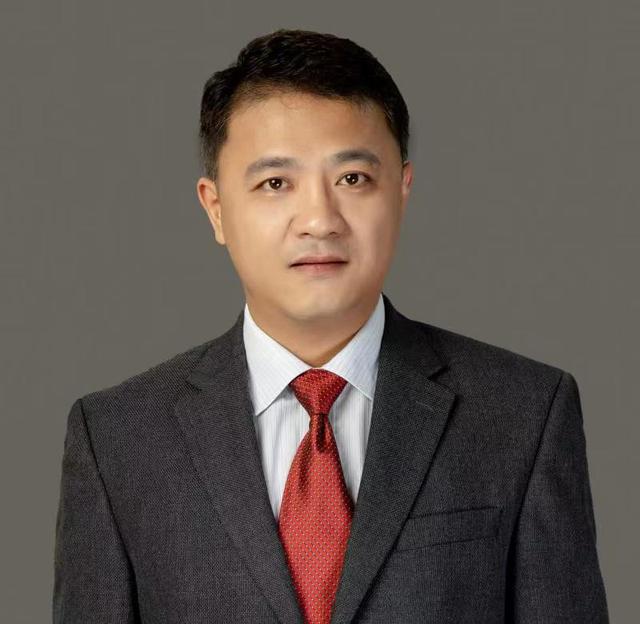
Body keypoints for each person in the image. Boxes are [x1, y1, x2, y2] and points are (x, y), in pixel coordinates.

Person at [52, 28, 609, 623]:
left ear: (402, 190)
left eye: (352, 179)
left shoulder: (523, 414)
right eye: (275, 183)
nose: (319, 220)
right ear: (216, 208)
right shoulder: (118, 439)